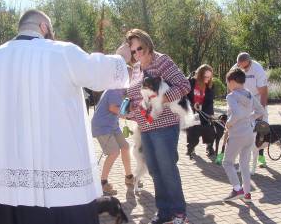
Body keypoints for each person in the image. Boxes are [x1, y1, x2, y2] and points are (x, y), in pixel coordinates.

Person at [0, 9, 131, 224]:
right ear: (44, 27)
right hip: (57, 181)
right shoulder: (61, 52)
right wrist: (120, 58)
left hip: (7, 180)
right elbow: (98, 74)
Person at [126, 29, 190, 224]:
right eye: (133, 51)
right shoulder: (136, 68)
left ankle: (179, 213)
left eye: (140, 48)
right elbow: (137, 96)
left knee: (167, 169)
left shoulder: (162, 61)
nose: (137, 53)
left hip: (165, 125)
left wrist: (161, 99)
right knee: (154, 170)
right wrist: (129, 108)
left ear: (147, 44)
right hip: (145, 127)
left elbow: (184, 85)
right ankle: (164, 212)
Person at [222, 68, 264, 202]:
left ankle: (237, 189)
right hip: (249, 133)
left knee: (227, 162)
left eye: (228, 82)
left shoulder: (231, 96)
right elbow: (260, 110)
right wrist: (250, 119)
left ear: (233, 81)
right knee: (244, 164)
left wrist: (228, 124)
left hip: (237, 134)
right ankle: (247, 194)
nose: (228, 85)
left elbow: (237, 114)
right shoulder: (249, 94)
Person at [91, 89, 133, 195]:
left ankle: (129, 177)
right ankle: (103, 183)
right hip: (103, 126)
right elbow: (113, 108)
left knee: (125, 147)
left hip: (113, 125)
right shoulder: (114, 90)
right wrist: (129, 113)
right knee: (114, 152)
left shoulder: (120, 91)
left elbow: (120, 108)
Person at [232, 52, 269, 167]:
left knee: (262, 128)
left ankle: (261, 156)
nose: (244, 69)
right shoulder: (235, 68)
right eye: (241, 66)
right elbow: (230, 86)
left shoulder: (258, 70)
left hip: (257, 98)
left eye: (246, 66)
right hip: (243, 99)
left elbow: (264, 92)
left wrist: (261, 111)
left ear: (250, 62)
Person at [186, 64, 215, 158]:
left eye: (209, 77)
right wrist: (192, 105)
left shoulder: (210, 85)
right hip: (192, 110)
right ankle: (191, 148)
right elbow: (185, 97)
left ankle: (209, 147)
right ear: (199, 75)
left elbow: (210, 100)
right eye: (205, 77)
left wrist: (209, 114)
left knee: (209, 129)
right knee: (192, 130)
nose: (207, 79)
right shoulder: (189, 82)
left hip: (204, 110)